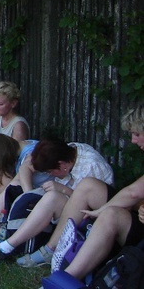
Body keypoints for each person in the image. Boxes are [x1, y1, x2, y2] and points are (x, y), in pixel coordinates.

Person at [0, 137, 114, 270]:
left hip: (85, 217)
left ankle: (6, 247)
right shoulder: (68, 152)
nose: (50, 174)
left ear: (61, 166)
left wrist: (63, 189)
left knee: (52, 196)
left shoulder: (92, 167)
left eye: (51, 171)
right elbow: (25, 168)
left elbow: (93, 204)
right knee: (16, 183)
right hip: (60, 205)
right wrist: (29, 193)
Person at [15, 104, 144, 272]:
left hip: (111, 222)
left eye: (137, 134)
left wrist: (101, 210)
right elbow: (133, 193)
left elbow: (133, 193)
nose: (133, 140)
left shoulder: (90, 164)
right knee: (87, 186)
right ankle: (48, 250)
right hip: (120, 215)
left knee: (107, 212)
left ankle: (63, 275)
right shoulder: (70, 152)